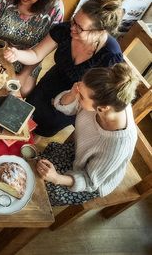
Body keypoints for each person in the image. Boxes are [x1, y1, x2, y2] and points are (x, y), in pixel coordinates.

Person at [4, 0, 125, 137]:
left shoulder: (110, 57)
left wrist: (74, 98)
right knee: (26, 115)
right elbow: (36, 54)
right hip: (50, 82)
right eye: (74, 21)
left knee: (44, 128)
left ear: (100, 32)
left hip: (74, 99)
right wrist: (17, 54)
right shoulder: (66, 29)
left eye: (80, 28)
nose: (72, 28)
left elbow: (103, 97)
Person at [36, 63, 138, 206]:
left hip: (93, 179)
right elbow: (62, 105)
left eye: (81, 96)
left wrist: (56, 178)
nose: (78, 96)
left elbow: (90, 181)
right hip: (79, 152)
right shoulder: (108, 98)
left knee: (40, 196)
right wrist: (73, 93)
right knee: (33, 165)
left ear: (102, 109)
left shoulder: (118, 145)